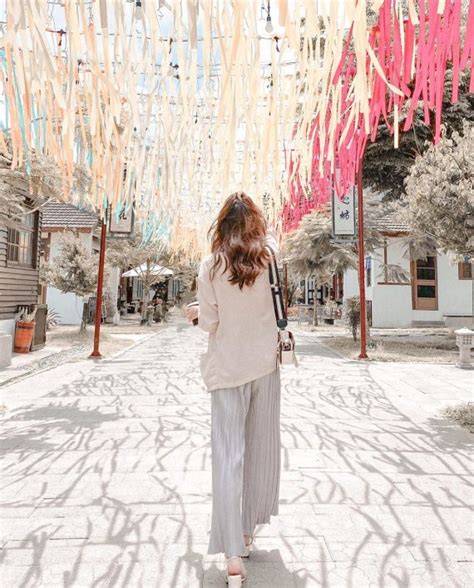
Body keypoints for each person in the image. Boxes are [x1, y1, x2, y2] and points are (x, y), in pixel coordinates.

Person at [185, 192, 281, 587]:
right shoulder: (270, 256)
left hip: (227, 370)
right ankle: (245, 532)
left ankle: (231, 556)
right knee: (260, 449)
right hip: (264, 367)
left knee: (228, 457)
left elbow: (210, 322)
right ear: (256, 223)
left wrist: (194, 312)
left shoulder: (209, 266)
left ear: (221, 225)